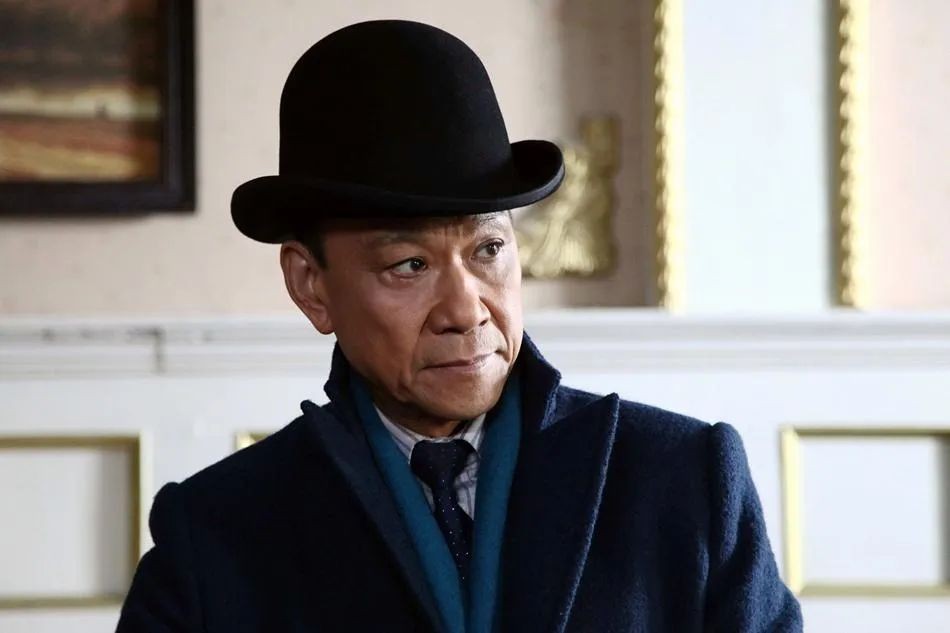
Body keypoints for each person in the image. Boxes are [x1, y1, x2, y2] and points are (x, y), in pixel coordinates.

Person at [117, 19, 802, 633]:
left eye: (488, 249)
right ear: (310, 286)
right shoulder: (216, 535)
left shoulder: (685, 480)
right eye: (409, 265)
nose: (465, 310)